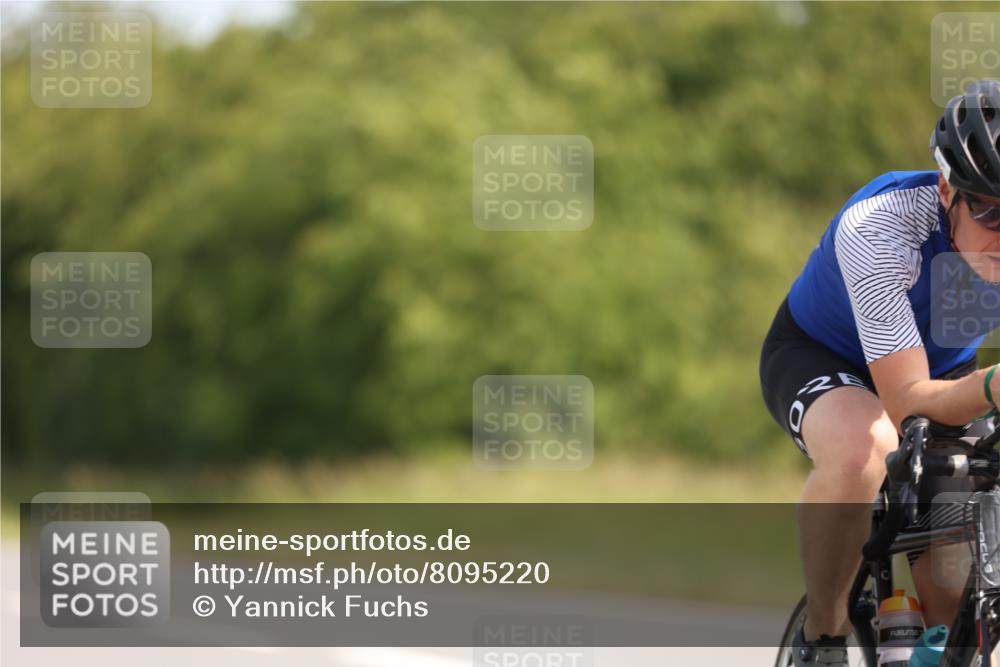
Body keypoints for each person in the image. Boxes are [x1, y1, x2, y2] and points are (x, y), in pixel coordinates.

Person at [759, 79, 1000, 666]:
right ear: (948, 189)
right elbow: (906, 399)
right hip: (824, 358)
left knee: (953, 606)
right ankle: (823, 635)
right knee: (864, 450)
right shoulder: (882, 227)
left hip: (946, 374)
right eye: (993, 213)